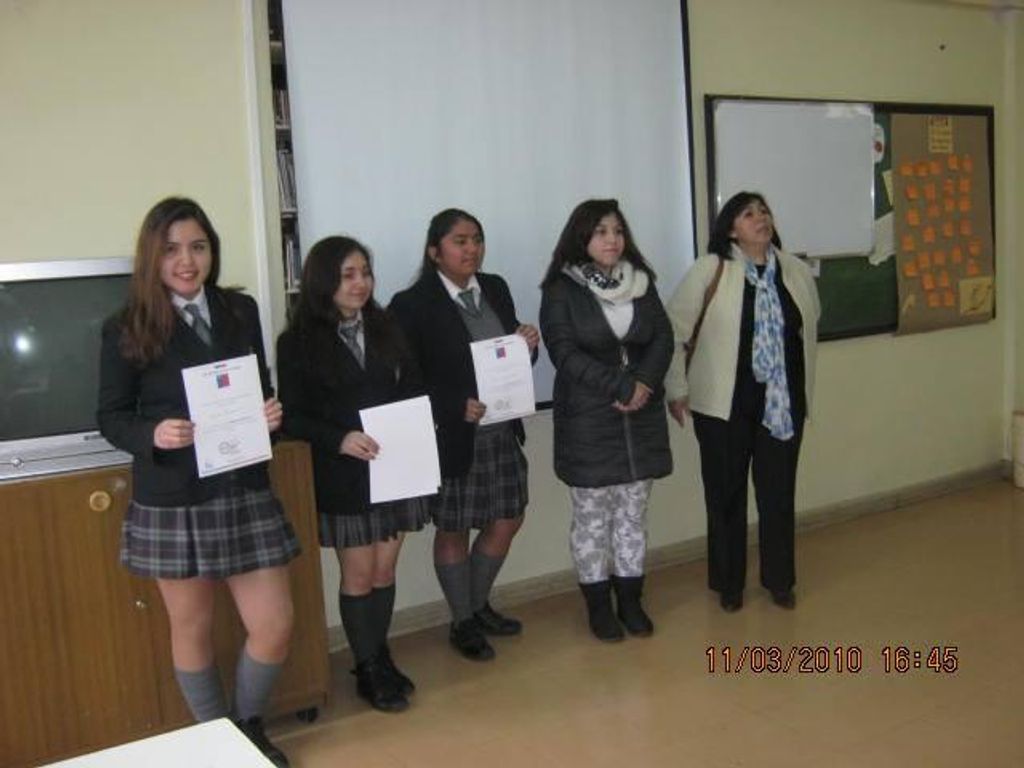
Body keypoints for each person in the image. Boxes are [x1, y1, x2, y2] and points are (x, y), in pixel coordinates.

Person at [97, 197, 296, 767]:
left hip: (244, 486)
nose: (187, 260)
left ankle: (248, 725)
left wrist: (268, 418)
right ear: (152, 257)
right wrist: (153, 434)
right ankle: (219, 742)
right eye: (172, 249)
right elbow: (111, 415)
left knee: (274, 625)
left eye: (199, 246)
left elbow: (255, 387)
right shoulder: (125, 327)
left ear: (212, 250)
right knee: (193, 628)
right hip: (175, 497)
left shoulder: (239, 309)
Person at [276, 236, 428, 713]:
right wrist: (339, 437)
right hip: (344, 472)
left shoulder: (388, 326)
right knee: (359, 575)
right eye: (348, 274)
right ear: (325, 282)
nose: (360, 283)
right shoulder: (296, 341)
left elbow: (415, 385)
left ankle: (378, 654)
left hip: (395, 465)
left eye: (365, 272)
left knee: (385, 569)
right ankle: (367, 668)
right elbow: (292, 416)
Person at [389, 208, 539, 661]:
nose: (471, 248)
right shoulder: (410, 304)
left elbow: (512, 364)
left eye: (476, 239)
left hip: (499, 431)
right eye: (459, 241)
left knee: (508, 518)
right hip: (452, 435)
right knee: (453, 528)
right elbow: (405, 379)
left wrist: (527, 345)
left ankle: (475, 605)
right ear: (435, 251)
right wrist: (454, 406)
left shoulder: (495, 287)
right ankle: (463, 620)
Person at [664, 191, 819, 613]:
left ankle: (779, 581)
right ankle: (729, 584)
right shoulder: (710, 270)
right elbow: (674, 331)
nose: (760, 218)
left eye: (764, 211)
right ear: (731, 228)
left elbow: (810, 323)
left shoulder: (795, 270)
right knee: (726, 496)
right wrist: (676, 389)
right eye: (748, 214)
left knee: (778, 494)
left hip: (782, 404)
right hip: (722, 404)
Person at [539, 199, 673, 642]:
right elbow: (563, 353)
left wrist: (645, 384)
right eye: (600, 231)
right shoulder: (562, 288)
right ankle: (599, 607)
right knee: (593, 518)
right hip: (589, 419)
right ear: (582, 238)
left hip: (642, 416)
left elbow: (663, 338)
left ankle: (632, 601)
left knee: (634, 514)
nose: (612, 239)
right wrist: (620, 386)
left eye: (617, 230)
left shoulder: (641, 281)